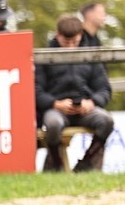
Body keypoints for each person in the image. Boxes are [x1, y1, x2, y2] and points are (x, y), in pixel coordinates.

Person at [35, 15, 113, 173]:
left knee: (106, 121)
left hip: (85, 109)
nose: (70, 47)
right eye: (66, 42)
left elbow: (104, 89)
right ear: (58, 35)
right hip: (56, 108)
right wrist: (55, 104)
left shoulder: (90, 57)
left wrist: (91, 102)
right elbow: (36, 91)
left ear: (81, 36)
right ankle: (57, 166)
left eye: (74, 42)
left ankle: (86, 164)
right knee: (53, 124)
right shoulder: (44, 58)